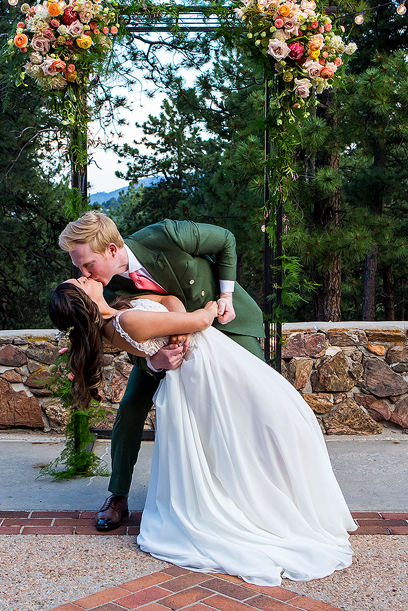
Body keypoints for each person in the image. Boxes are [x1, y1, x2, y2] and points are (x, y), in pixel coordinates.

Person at [49, 277, 356, 586]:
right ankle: (268, 505)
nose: (85, 276)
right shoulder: (126, 320)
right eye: (80, 281)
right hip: (206, 366)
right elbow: (199, 319)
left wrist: (179, 327)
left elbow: (169, 299)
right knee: (264, 425)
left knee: (264, 423)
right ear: (82, 301)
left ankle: (282, 497)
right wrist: (212, 306)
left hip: (210, 357)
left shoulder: (119, 313)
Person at [58, 212, 265, 531]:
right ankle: (118, 496)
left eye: (88, 265)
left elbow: (225, 240)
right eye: (79, 268)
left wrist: (223, 297)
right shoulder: (103, 293)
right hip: (163, 351)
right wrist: (156, 362)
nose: (85, 274)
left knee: (261, 397)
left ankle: (264, 487)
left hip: (225, 323)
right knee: (129, 408)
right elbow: (130, 339)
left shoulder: (166, 236)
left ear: (112, 250)